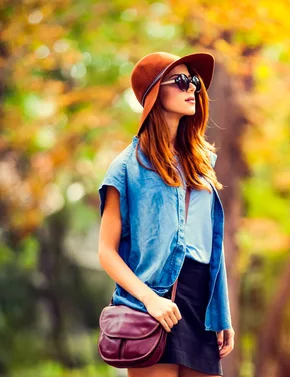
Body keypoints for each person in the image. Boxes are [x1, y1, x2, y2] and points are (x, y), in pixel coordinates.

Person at [97, 51, 235, 377]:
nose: (194, 90)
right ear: (156, 93)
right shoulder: (127, 168)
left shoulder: (201, 165)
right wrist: (150, 300)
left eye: (196, 82)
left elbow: (210, 246)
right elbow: (106, 251)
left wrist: (221, 311)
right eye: (183, 82)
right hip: (153, 305)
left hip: (201, 305)